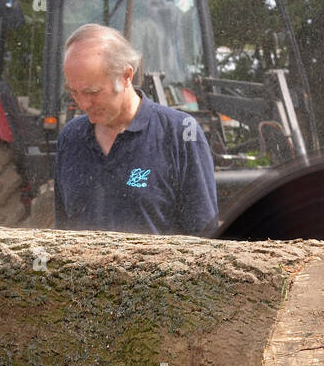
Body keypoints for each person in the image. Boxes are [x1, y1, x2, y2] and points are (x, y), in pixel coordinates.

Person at [54, 24, 217, 235]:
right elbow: (62, 232)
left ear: (126, 76)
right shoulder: (70, 138)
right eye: (74, 92)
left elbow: (205, 237)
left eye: (92, 91)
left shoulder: (180, 135)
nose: (83, 104)